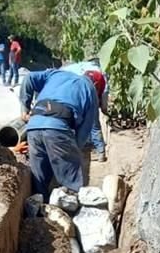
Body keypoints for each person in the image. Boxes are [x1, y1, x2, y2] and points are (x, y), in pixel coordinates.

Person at [19, 68, 105, 196]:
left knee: (39, 181)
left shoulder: (57, 74)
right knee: (71, 184)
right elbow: (86, 130)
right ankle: (71, 211)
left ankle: (38, 210)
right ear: (97, 85)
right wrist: (73, 151)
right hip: (58, 129)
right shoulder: (90, 89)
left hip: (33, 127)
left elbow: (29, 78)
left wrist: (24, 109)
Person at [61, 59, 110, 162]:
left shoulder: (73, 71)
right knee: (94, 126)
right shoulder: (101, 74)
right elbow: (104, 94)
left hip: (77, 97)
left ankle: (77, 151)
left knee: (77, 124)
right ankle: (101, 152)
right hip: (91, 97)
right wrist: (103, 108)